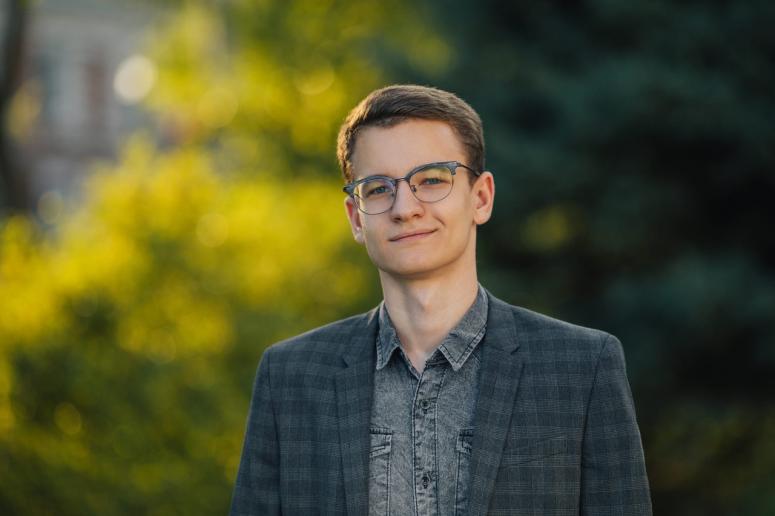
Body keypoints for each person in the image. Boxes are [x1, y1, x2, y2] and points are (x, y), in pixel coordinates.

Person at [230, 85, 652, 515]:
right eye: (377, 188)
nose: (404, 208)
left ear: (481, 198)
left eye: (431, 180)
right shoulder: (290, 378)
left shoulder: (582, 368)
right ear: (356, 218)